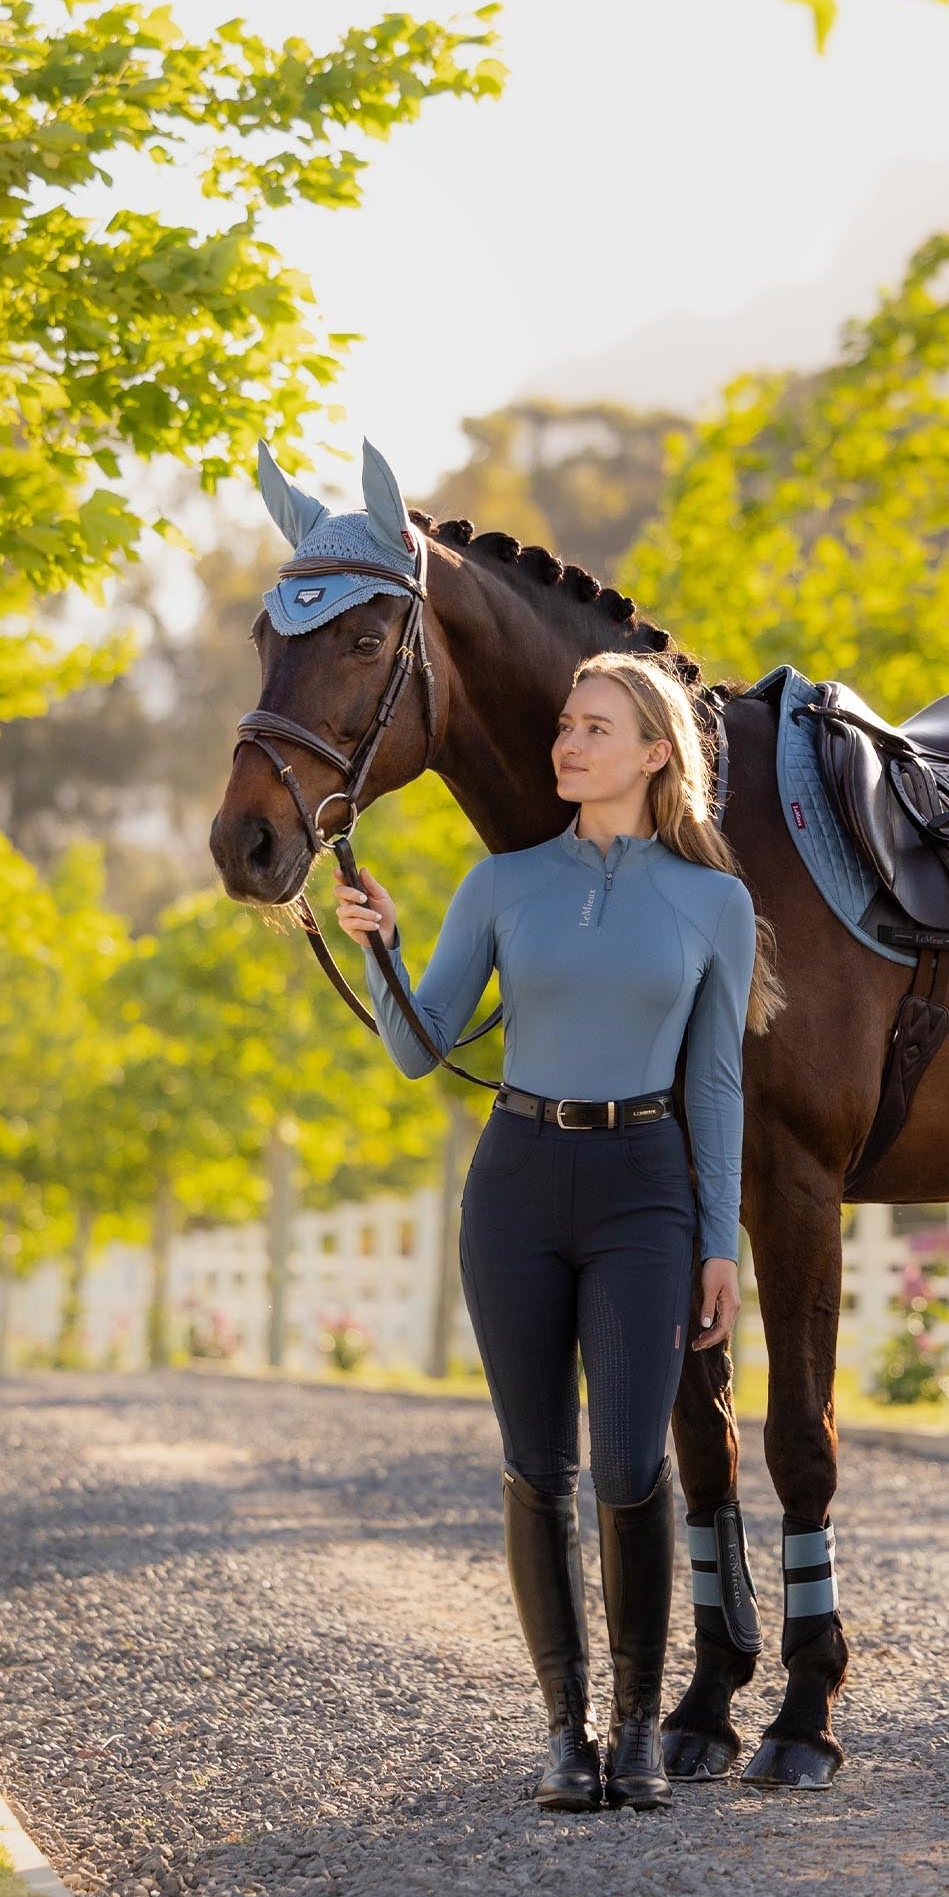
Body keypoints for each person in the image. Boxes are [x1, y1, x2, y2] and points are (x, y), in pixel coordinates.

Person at [334, 649, 776, 1812]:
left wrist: (718, 1238)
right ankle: (563, 1732)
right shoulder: (501, 883)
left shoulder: (713, 901)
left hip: (645, 1184)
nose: (567, 745)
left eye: (594, 727)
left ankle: (638, 1727)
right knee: (537, 1468)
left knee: (632, 1466)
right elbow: (419, 1045)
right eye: (565, 726)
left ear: (654, 752)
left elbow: (718, 1081)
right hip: (518, 1182)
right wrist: (381, 947)